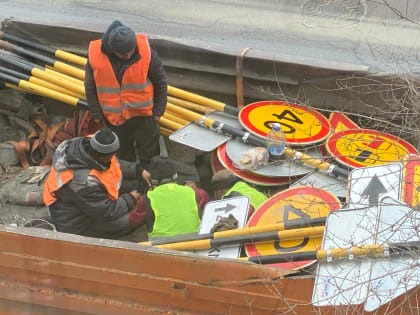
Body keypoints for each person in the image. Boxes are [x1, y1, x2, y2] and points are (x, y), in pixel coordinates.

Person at [85, 20, 167, 166]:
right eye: (123, 54)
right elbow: (90, 87)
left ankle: (147, 178)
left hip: (144, 116)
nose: (129, 56)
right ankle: (130, 179)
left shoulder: (147, 52)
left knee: (150, 153)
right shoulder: (95, 54)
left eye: (131, 51)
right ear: (112, 49)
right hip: (115, 118)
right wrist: (96, 114)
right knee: (122, 155)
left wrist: (158, 111)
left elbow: (160, 82)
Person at [43, 128, 151, 239]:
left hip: (88, 202)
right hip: (77, 223)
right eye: (112, 155)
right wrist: (131, 198)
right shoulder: (83, 183)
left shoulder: (91, 144)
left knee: (135, 184)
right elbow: (107, 211)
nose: (114, 157)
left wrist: (138, 171)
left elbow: (115, 163)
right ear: (102, 157)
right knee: (131, 219)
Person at [129, 156, 210, 239]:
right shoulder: (193, 192)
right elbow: (205, 197)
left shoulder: (147, 199)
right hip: (195, 244)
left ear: (152, 180)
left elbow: (133, 221)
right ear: (175, 176)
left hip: (163, 249)